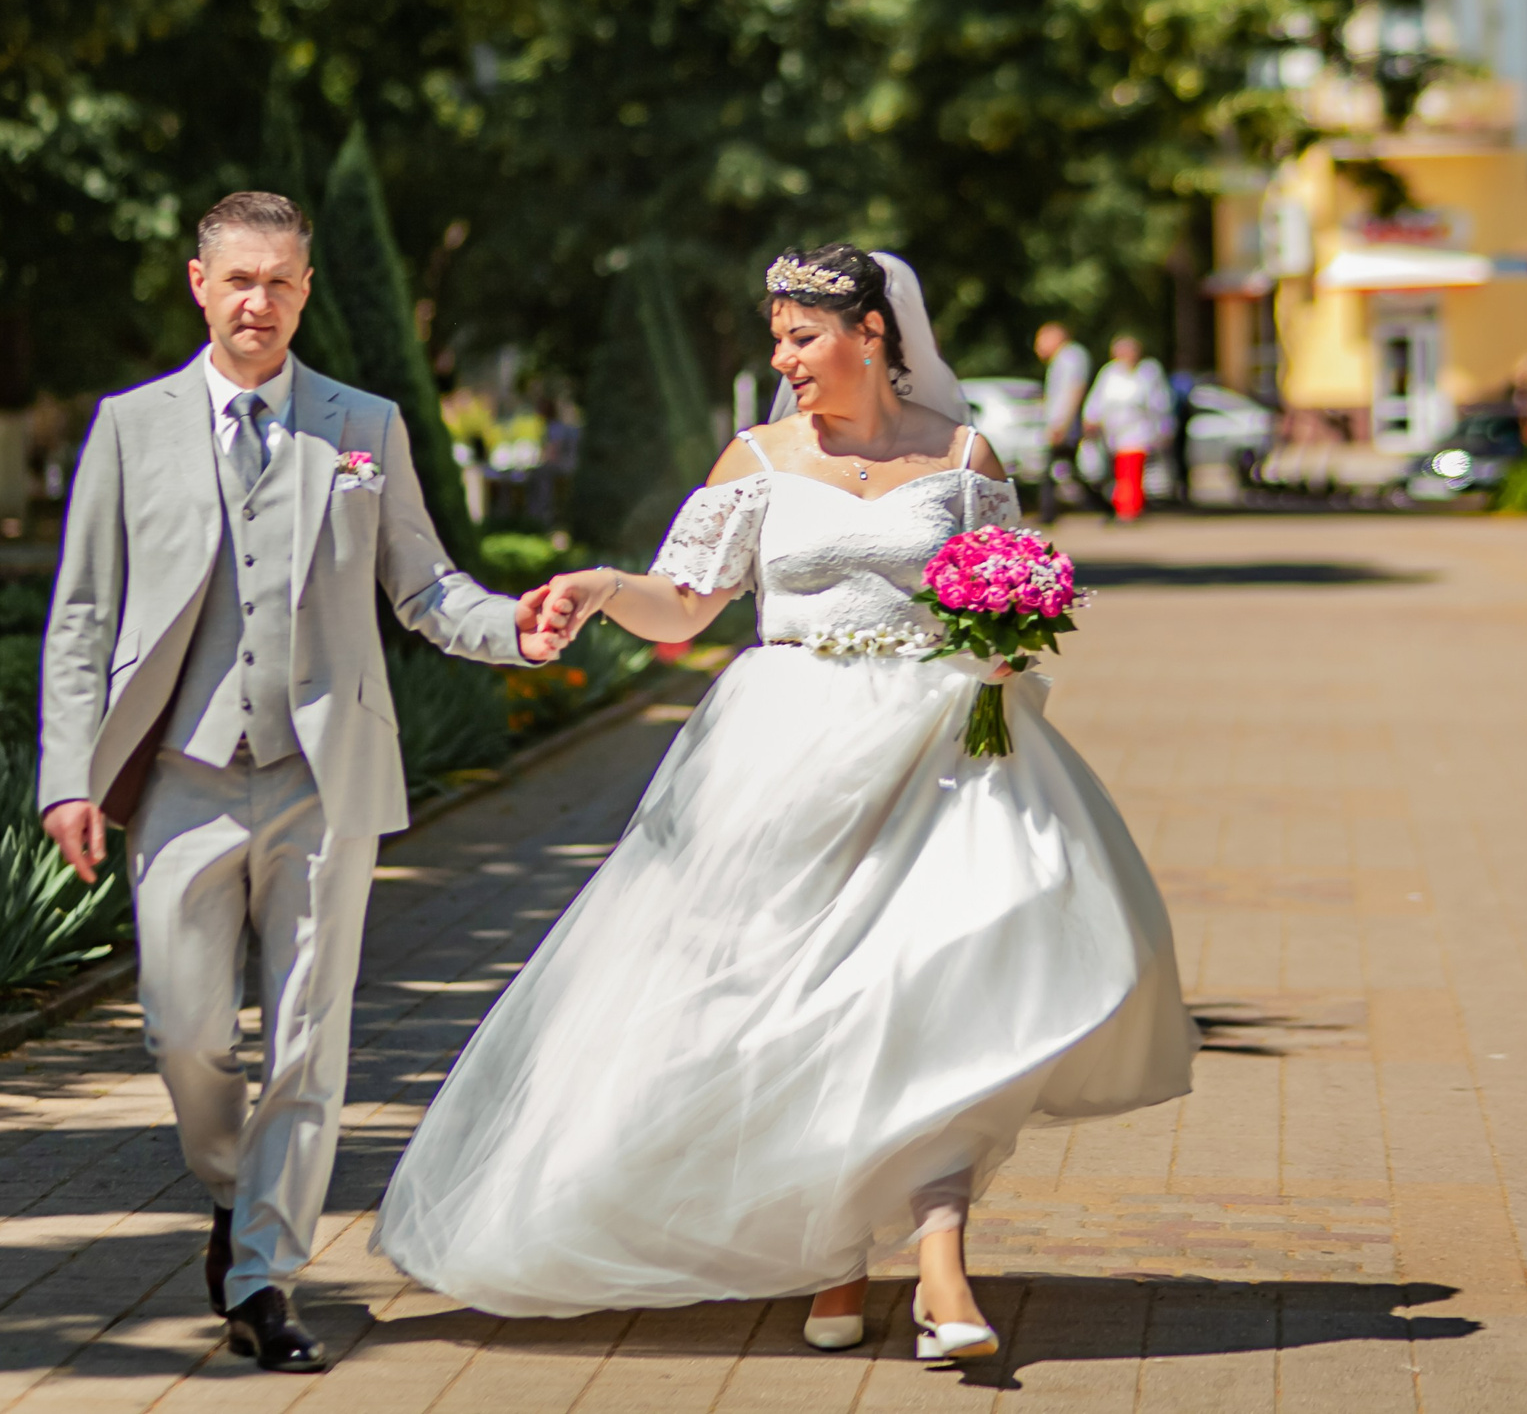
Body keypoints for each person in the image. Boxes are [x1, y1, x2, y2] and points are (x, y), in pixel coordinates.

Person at [373, 244, 1194, 1361]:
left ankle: (941, 1266)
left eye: (801, 337)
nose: (784, 360)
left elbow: (1000, 590)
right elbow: (688, 606)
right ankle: (830, 1258)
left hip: (943, 752)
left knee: (926, 997)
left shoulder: (963, 457)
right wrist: (609, 588)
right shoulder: (756, 457)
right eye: (777, 339)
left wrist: (1004, 643)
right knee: (796, 1004)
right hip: (783, 756)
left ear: (872, 334)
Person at [36, 191, 571, 1374]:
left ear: (307, 290)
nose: (258, 303)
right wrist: (66, 774)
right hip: (180, 777)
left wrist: (516, 632)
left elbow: (428, 590)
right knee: (186, 1036)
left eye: (280, 282)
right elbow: (80, 614)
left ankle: (267, 1275)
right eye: (238, 280)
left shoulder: (362, 422)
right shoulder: (131, 426)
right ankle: (233, 1193)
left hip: (322, 785)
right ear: (197, 283)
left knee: (306, 1046)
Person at [1082, 333, 1173, 520]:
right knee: (1117, 471)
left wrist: (1163, 428)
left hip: (1138, 429)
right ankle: (1121, 505)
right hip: (1113, 432)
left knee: (1131, 468)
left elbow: (1159, 402)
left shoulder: (1148, 372)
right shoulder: (1109, 373)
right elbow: (1097, 399)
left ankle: (1129, 508)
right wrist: (1091, 418)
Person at [1034, 322, 1091, 521]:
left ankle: (1047, 514)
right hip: (1059, 424)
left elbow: (1074, 390)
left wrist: (1062, 424)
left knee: (1053, 470)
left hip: (1063, 426)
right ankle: (1100, 505)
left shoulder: (1071, 356)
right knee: (1067, 471)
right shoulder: (1062, 358)